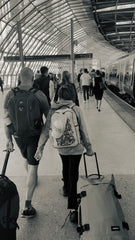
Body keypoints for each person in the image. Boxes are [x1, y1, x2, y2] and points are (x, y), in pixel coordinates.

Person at [34, 85, 94, 224]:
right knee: (74, 173)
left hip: (61, 147)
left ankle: (66, 188)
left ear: (58, 96)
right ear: (72, 95)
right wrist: (89, 148)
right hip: (76, 147)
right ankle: (73, 209)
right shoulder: (76, 109)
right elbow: (84, 131)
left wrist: (39, 148)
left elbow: (45, 131)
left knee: (65, 167)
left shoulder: (53, 110)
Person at [4, 67, 49, 218]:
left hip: (17, 136)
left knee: (26, 159)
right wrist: (41, 145)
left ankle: (31, 177)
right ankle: (27, 206)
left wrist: (9, 140)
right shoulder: (39, 94)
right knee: (33, 167)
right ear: (32, 78)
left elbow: (6, 120)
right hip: (34, 136)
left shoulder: (10, 94)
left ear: (19, 77)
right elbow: (48, 121)